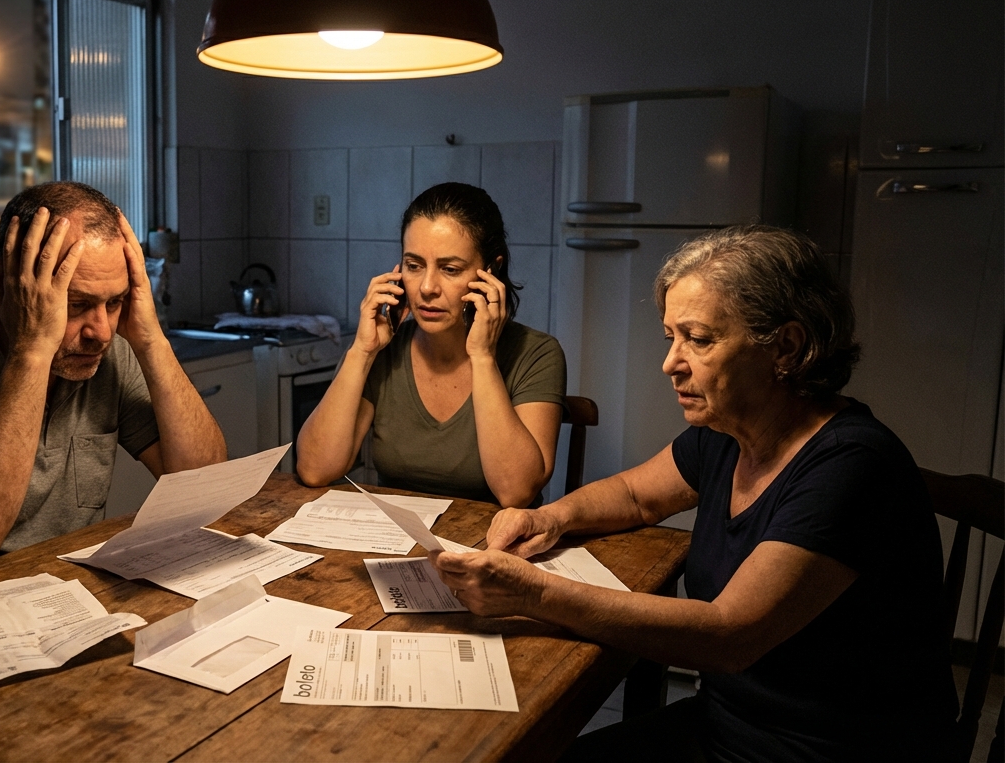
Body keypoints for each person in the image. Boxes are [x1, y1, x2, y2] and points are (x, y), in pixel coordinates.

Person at [430, 226, 957, 762]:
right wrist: (552, 519)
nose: (671, 363)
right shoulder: (728, 433)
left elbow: (730, 636)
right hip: (729, 726)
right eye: (670, 337)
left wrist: (533, 594)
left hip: (824, 750)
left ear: (786, 347)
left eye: (699, 339)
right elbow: (637, 495)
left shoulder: (850, 464)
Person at [0, 182, 226, 600]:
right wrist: (32, 352)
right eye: (76, 303)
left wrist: (150, 338)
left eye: (115, 302)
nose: (101, 332)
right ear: (4, 283)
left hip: (56, 597)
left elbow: (204, 486)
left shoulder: (107, 350)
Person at [296, 182, 565, 508]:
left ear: (491, 270)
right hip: (397, 544)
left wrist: (482, 357)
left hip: (492, 545)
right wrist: (362, 352)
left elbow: (516, 492)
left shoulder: (537, 354)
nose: (426, 287)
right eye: (413, 265)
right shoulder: (384, 351)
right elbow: (314, 470)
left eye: (450, 269)